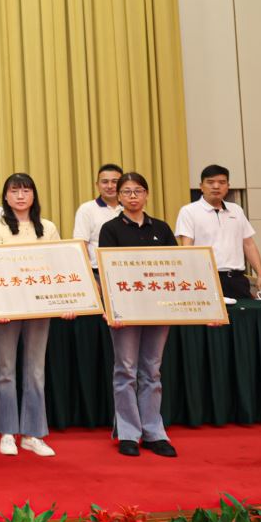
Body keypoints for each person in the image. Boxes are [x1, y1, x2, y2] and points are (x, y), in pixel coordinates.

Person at [0, 173, 69, 458]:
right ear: (5, 196)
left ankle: (33, 434)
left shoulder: (48, 227)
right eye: (15, 191)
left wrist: (65, 300)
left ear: (34, 195)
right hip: (6, 308)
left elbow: (59, 266)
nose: (20, 196)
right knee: (5, 370)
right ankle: (7, 432)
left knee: (35, 370)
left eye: (26, 191)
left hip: (40, 306)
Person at [97, 172, 179, 459]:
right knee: (125, 371)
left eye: (138, 191)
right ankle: (129, 433)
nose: (133, 196)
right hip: (125, 309)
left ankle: (154, 432)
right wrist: (111, 308)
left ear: (146, 194)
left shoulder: (162, 228)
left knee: (152, 371)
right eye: (127, 191)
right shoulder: (110, 229)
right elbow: (107, 271)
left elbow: (176, 266)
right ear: (118, 196)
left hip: (158, 307)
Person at [175, 164, 261, 301]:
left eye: (221, 182)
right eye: (210, 182)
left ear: (228, 186)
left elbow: (249, 245)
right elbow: (187, 248)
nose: (216, 186)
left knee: (243, 314)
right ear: (201, 186)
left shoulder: (236, 210)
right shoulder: (189, 211)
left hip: (237, 279)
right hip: (206, 279)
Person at [71, 163, 123, 267]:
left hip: (126, 267)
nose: (110, 186)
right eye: (105, 182)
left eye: (115, 182)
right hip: (97, 269)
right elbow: (81, 246)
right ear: (97, 185)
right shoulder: (86, 209)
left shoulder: (130, 209)